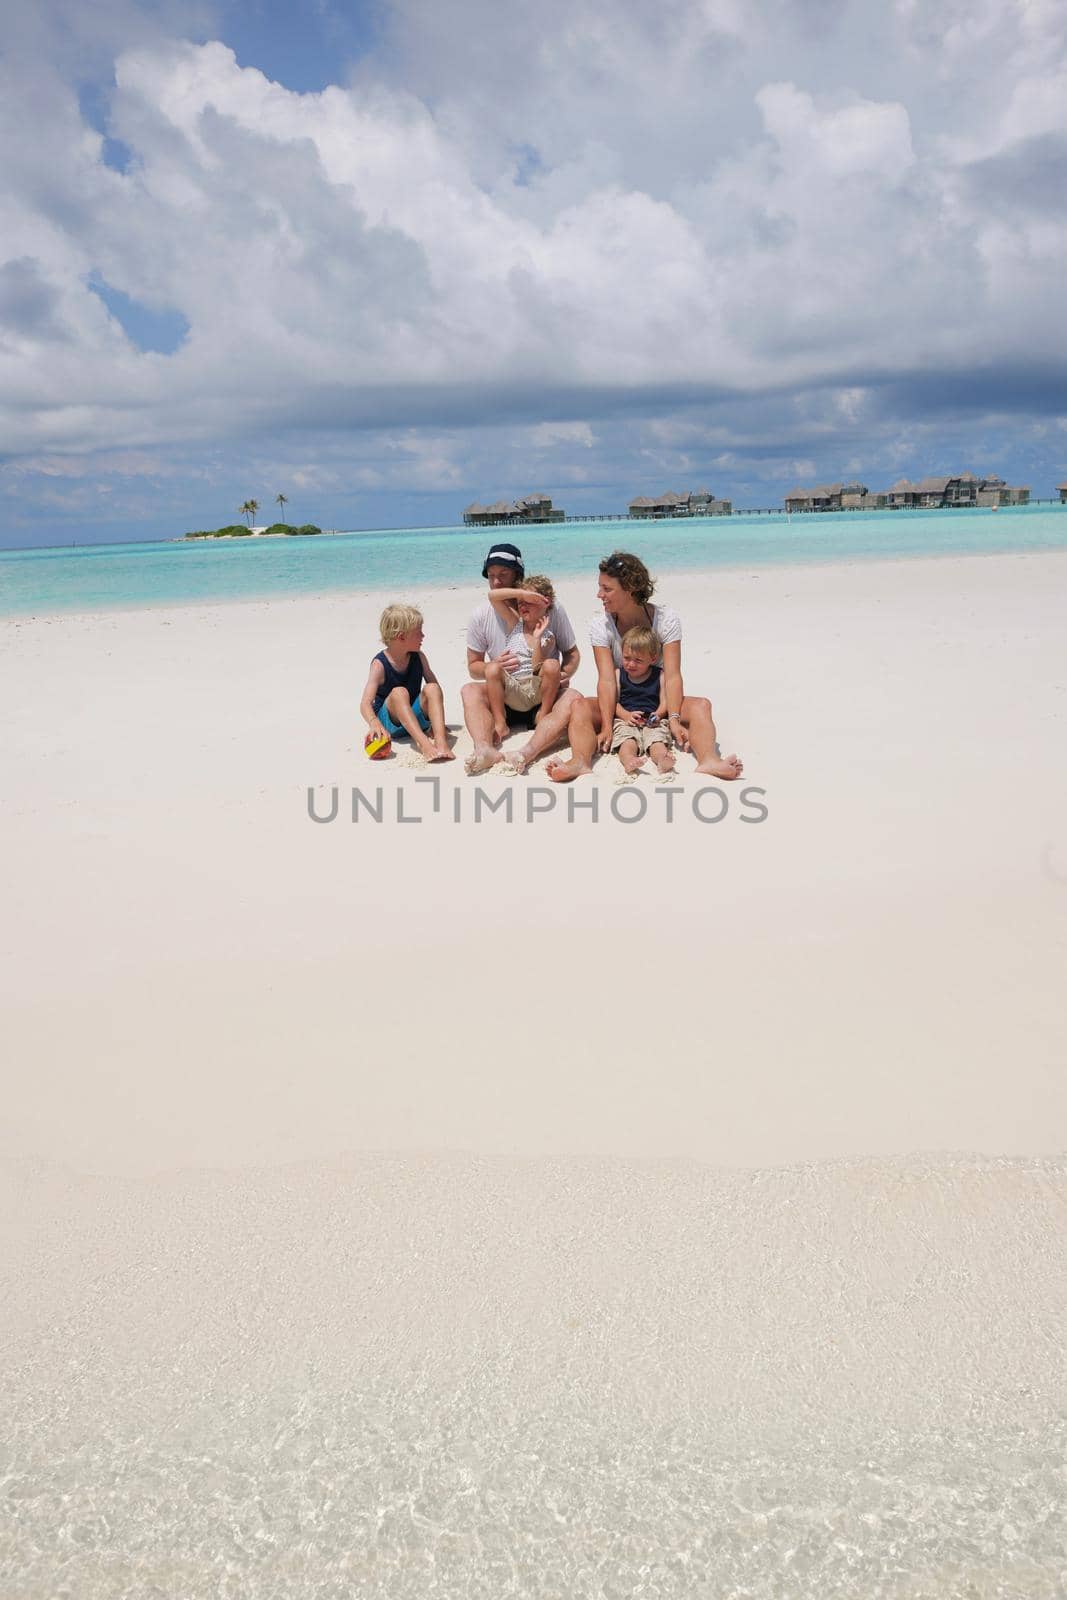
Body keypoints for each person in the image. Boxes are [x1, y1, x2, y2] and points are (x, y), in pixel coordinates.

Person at [546, 550, 743, 782]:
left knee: (701, 706)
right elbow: (608, 680)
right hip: (620, 704)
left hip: (660, 700)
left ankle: (709, 760)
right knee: (579, 706)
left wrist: (675, 718)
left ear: (630, 588)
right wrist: (608, 725)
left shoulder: (665, 620)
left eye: (607, 589)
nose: (599, 595)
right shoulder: (601, 626)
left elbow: (671, 676)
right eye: (600, 587)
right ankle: (579, 761)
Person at [462, 543, 581, 775]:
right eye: (491, 576)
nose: (496, 582)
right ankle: (484, 748)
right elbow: (473, 667)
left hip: (541, 691)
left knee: (574, 697)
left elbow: (573, 654)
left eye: (503, 575)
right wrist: (491, 666)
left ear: (518, 575)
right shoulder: (482, 615)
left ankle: (528, 751)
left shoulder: (551, 610)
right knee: (469, 690)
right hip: (505, 693)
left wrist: (562, 673)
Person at [359, 603, 455, 763]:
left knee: (431, 688)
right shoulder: (379, 664)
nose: (423, 636)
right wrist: (374, 723)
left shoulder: (419, 657)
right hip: (391, 723)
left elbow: (436, 692)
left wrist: (436, 722)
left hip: (416, 718)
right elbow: (365, 703)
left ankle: (440, 741)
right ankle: (424, 744)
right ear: (401, 637)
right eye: (418, 633)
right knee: (399, 692)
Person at [482, 574, 563, 743]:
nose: (523, 605)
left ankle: (543, 715)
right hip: (513, 687)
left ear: (545, 602)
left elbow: (536, 666)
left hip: (535, 690)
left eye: (529, 602)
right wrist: (522, 593)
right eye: (520, 602)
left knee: (553, 665)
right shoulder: (515, 623)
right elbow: (492, 597)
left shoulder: (548, 636)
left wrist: (537, 638)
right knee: (491, 668)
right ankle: (500, 721)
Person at [611, 625, 676, 777]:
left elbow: (665, 702)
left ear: (652, 659)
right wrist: (626, 715)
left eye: (638, 660)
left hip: (652, 720)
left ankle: (662, 759)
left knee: (656, 741)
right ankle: (629, 760)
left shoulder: (660, 675)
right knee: (627, 742)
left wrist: (658, 715)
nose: (631, 664)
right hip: (626, 720)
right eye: (627, 658)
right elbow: (613, 703)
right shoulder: (618, 674)